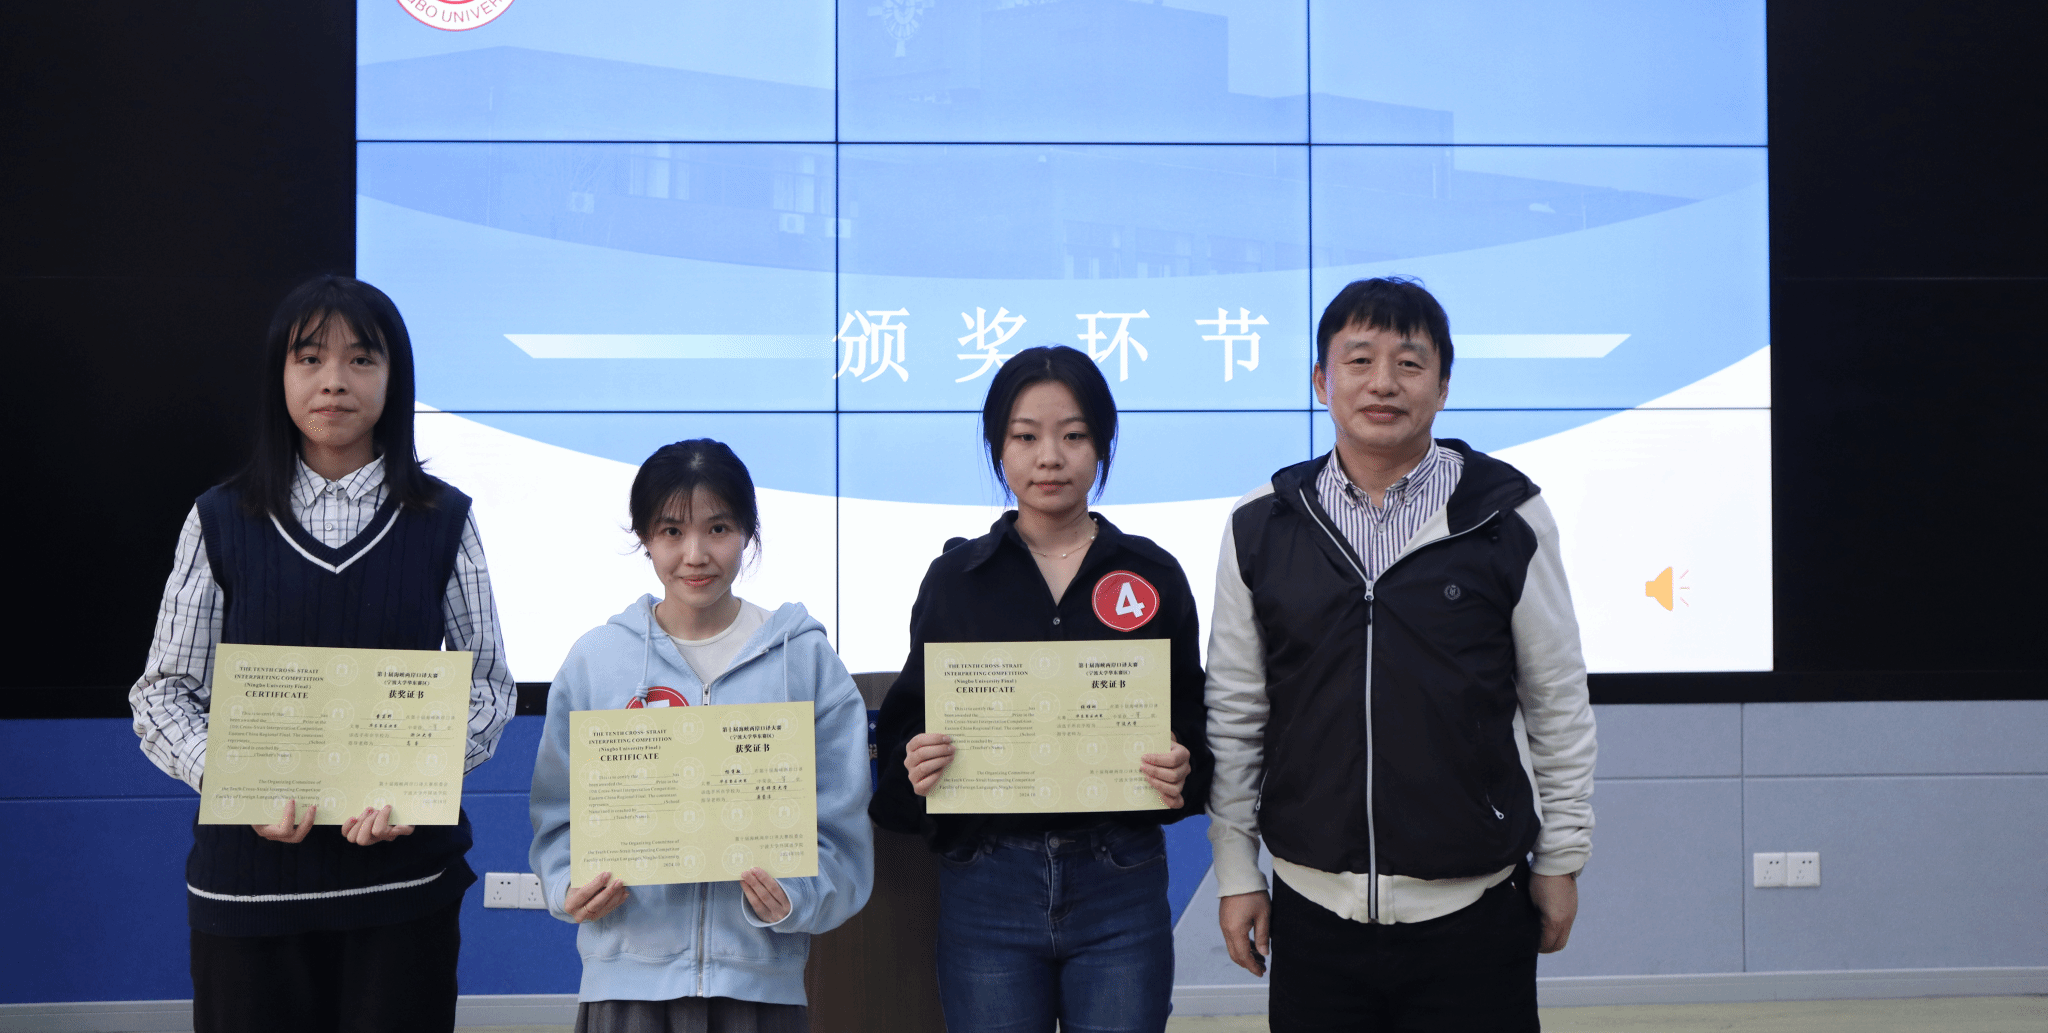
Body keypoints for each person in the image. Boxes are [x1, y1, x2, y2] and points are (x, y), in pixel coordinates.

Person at [1205, 277, 1597, 1032]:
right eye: (1359, 360)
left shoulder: (1506, 516)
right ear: (1321, 379)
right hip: (1312, 908)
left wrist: (1560, 858)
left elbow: (1557, 700)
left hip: (1474, 907)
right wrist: (1234, 870)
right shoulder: (1262, 524)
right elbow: (1236, 712)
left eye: (1410, 363)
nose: (1383, 382)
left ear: (1443, 385)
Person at [129, 275, 517, 1033]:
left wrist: (413, 783)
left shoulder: (444, 518)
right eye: (309, 358)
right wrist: (240, 785)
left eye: (361, 359)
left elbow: (490, 687)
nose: (334, 380)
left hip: (403, 891)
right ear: (278, 375)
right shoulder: (218, 518)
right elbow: (163, 693)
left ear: (394, 377)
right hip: (249, 893)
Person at [871, 345, 1214, 1033]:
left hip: (1119, 878)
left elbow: (1196, 725)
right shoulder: (956, 580)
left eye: (1074, 435)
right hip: (987, 882)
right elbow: (908, 725)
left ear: (1102, 445)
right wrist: (916, 760)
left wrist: (1185, 765)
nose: (1049, 457)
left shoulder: (1152, 573)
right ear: (999, 448)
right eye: (1026, 436)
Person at [530, 438, 874, 1033]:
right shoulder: (596, 661)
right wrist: (567, 886)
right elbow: (558, 817)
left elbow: (842, 825)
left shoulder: (805, 660)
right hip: (626, 980)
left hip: (759, 982)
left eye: (718, 529)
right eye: (671, 531)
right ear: (645, 537)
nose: (695, 555)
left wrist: (798, 896)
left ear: (747, 533)